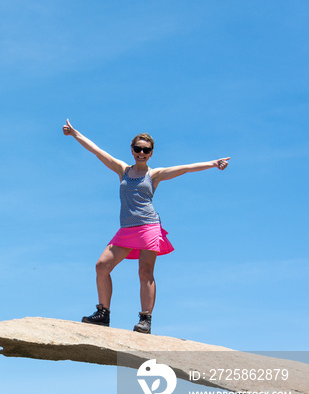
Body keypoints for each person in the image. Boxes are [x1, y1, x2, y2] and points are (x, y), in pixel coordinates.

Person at [62, 119, 229, 334]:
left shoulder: (154, 174)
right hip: (126, 229)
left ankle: (145, 320)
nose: (141, 152)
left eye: (146, 150)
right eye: (138, 148)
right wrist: (75, 134)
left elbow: (185, 169)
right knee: (101, 266)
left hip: (148, 226)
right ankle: (103, 314)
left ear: (151, 153)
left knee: (145, 272)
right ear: (132, 150)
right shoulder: (122, 169)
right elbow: (97, 151)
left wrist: (214, 163)